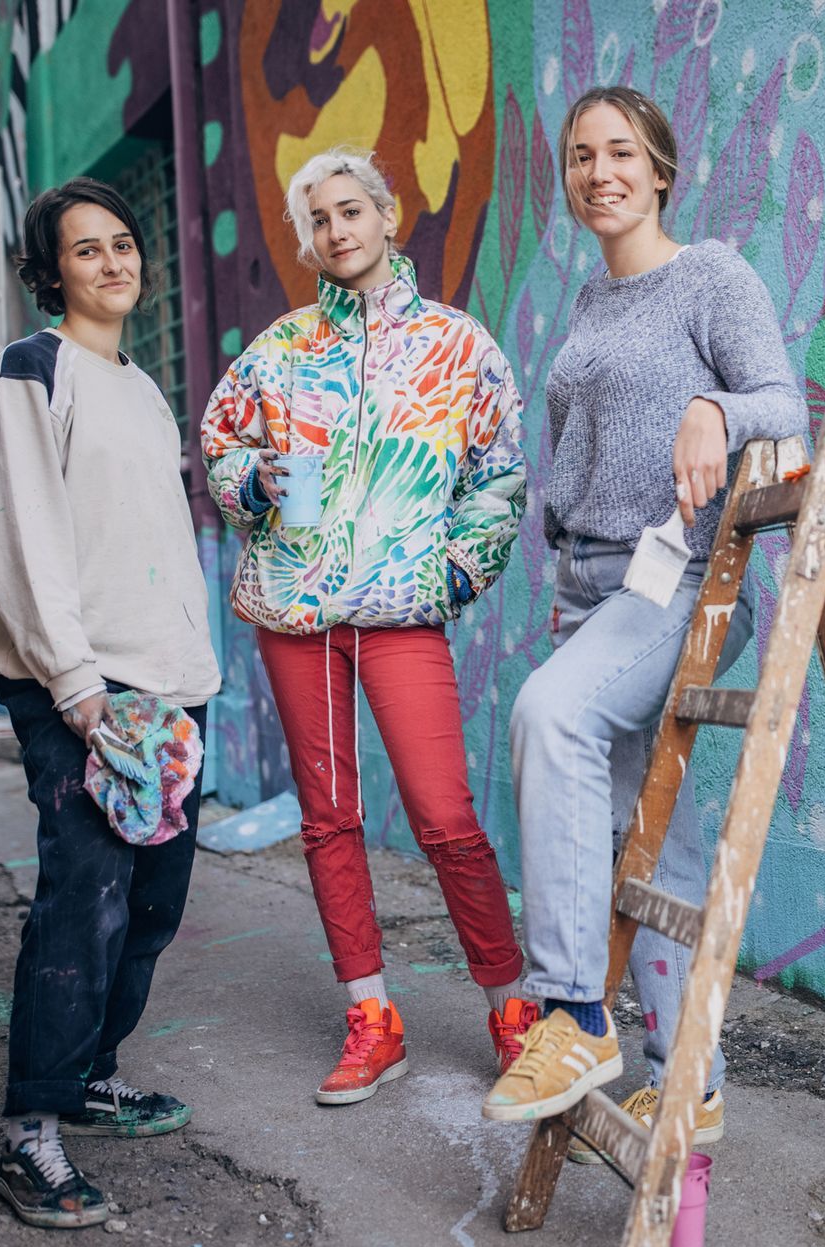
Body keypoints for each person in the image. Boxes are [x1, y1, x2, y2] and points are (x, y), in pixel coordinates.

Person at [481, 87, 805, 1155]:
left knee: (548, 720)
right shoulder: (587, 305)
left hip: (674, 585)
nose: (598, 171)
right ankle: (690, 1079)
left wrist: (711, 408)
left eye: (620, 152)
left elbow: (785, 407)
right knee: (637, 840)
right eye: (580, 156)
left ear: (660, 169)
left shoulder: (708, 274)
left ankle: (572, 1014)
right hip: (590, 590)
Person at [201, 146, 533, 1109]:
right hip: (295, 609)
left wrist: (450, 572)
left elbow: (498, 480)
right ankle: (372, 1016)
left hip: (399, 613)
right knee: (328, 819)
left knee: (445, 816)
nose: (337, 231)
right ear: (305, 238)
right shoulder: (280, 349)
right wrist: (253, 483)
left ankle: (510, 1006)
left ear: (389, 216)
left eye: (352, 211)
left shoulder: (458, 345)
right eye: (319, 219)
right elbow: (225, 440)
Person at [0, 177, 221, 1228]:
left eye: (124, 245)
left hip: (168, 689)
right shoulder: (27, 375)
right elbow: (27, 543)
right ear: (49, 272)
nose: (114, 262)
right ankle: (33, 1132)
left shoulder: (146, 390)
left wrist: (190, 676)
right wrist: (81, 696)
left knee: (154, 902)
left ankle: (91, 1072)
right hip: (84, 688)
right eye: (87, 250)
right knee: (86, 898)